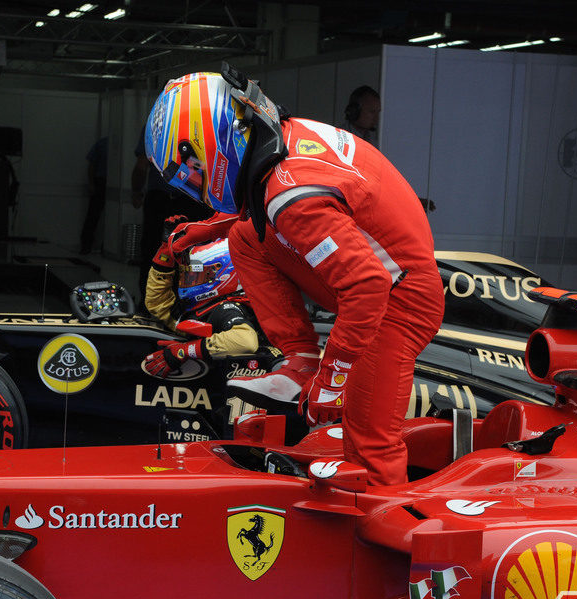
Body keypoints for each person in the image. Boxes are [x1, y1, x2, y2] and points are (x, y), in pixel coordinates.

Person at [144, 67, 445, 486]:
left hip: (398, 300)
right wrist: (208, 226)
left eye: (190, 170)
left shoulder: (291, 197)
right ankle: (299, 359)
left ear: (211, 143)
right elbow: (260, 204)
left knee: (371, 448)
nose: (194, 183)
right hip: (381, 275)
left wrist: (332, 378)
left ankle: (381, 531)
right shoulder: (280, 137)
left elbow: (367, 286)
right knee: (247, 236)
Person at [142, 212, 261, 377]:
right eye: (188, 276)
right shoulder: (202, 310)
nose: (190, 281)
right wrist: (166, 251)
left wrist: (183, 352)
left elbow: (245, 341)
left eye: (197, 275)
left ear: (223, 274)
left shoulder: (227, 308)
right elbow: (157, 304)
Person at [131, 122, 211, 309]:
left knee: (153, 251)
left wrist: (136, 191)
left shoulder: (155, 124)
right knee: (192, 252)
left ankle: (149, 304)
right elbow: (209, 165)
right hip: (192, 199)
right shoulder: (201, 124)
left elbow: (142, 164)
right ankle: (189, 304)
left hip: (161, 199)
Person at [80, 136, 108, 254]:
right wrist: (91, 183)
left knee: (93, 215)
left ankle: (87, 245)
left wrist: (91, 183)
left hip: (100, 181)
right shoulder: (105, 144)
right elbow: (92, 165)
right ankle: (89, 244)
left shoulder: (102, 143)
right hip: (102, 182)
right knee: (94, 215)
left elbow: (91, 165)